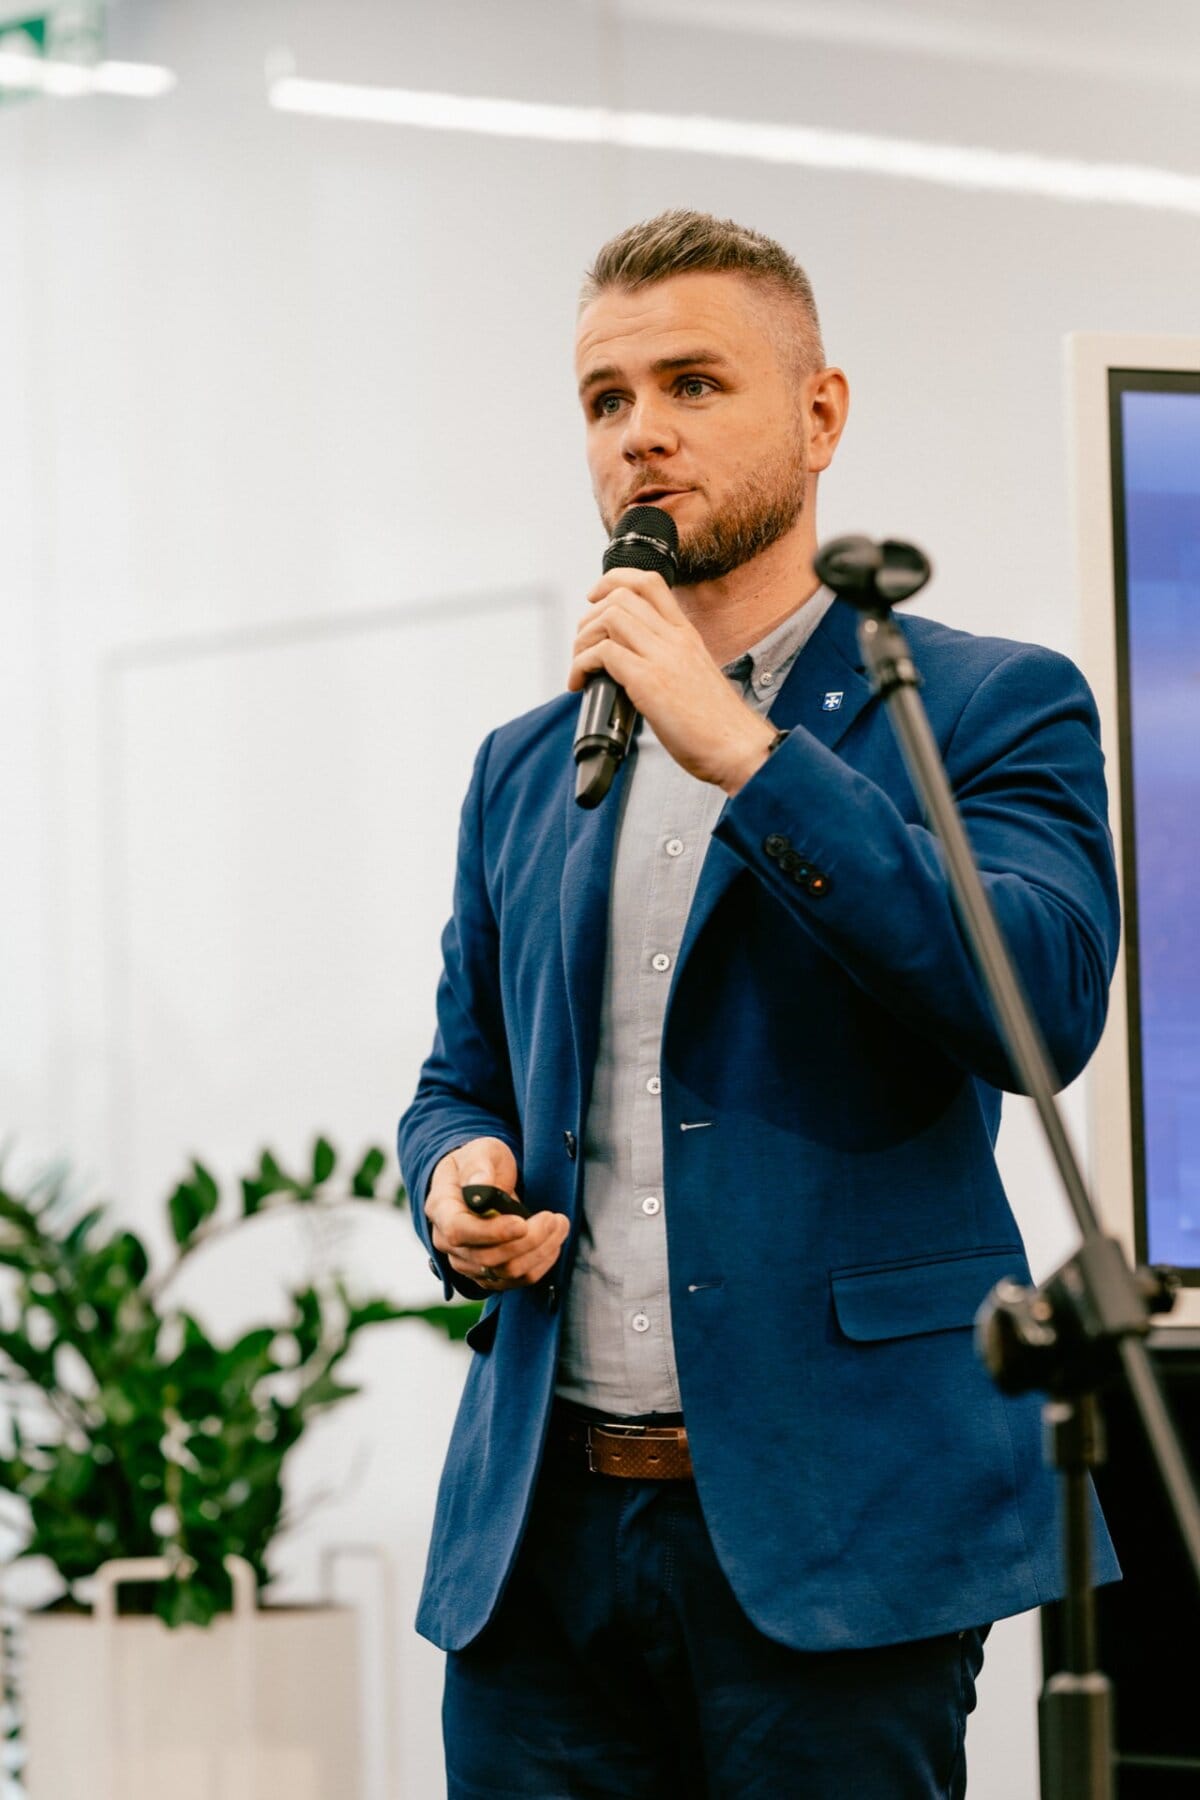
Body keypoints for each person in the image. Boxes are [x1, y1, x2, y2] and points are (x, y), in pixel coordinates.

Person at [398, 209, 1120, 1798]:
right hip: (544, 1542)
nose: (641, 431)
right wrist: (451, 1178)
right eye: (605, 398)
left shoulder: (987, 704)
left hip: (837, 1536)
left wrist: (744, 753)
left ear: (821, 413)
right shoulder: (528, 765)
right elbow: (459, 1074)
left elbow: (1037, 1007)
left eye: (693, 383)